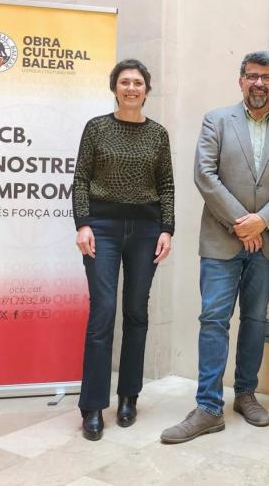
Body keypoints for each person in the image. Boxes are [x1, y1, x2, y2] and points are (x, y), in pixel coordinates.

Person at [160, 51, 269, 444]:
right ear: (240, 81)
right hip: (222, 239)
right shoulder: (217, 120)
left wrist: (263, 221)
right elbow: (204, 174)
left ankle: (245, 394)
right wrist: (243, 223)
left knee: (256, 319)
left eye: (267, 77)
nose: (259, 83)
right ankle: (208, 407)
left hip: (267, 242)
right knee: (214, 319)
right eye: (252, 76)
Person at [72, 59, 174, 441]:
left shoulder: (158, 134)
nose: (131, 88)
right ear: (114, 87)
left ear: (147, 90)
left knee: (136, 311)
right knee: (103, 311)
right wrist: (83, 223)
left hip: (146, 230)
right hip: (102, 228)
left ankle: (129, 395)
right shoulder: (96, 128)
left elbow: (166, 185)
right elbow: (81, 179)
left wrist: (167, 229)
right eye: (125, 82)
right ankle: (92, 405)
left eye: (138, 83)